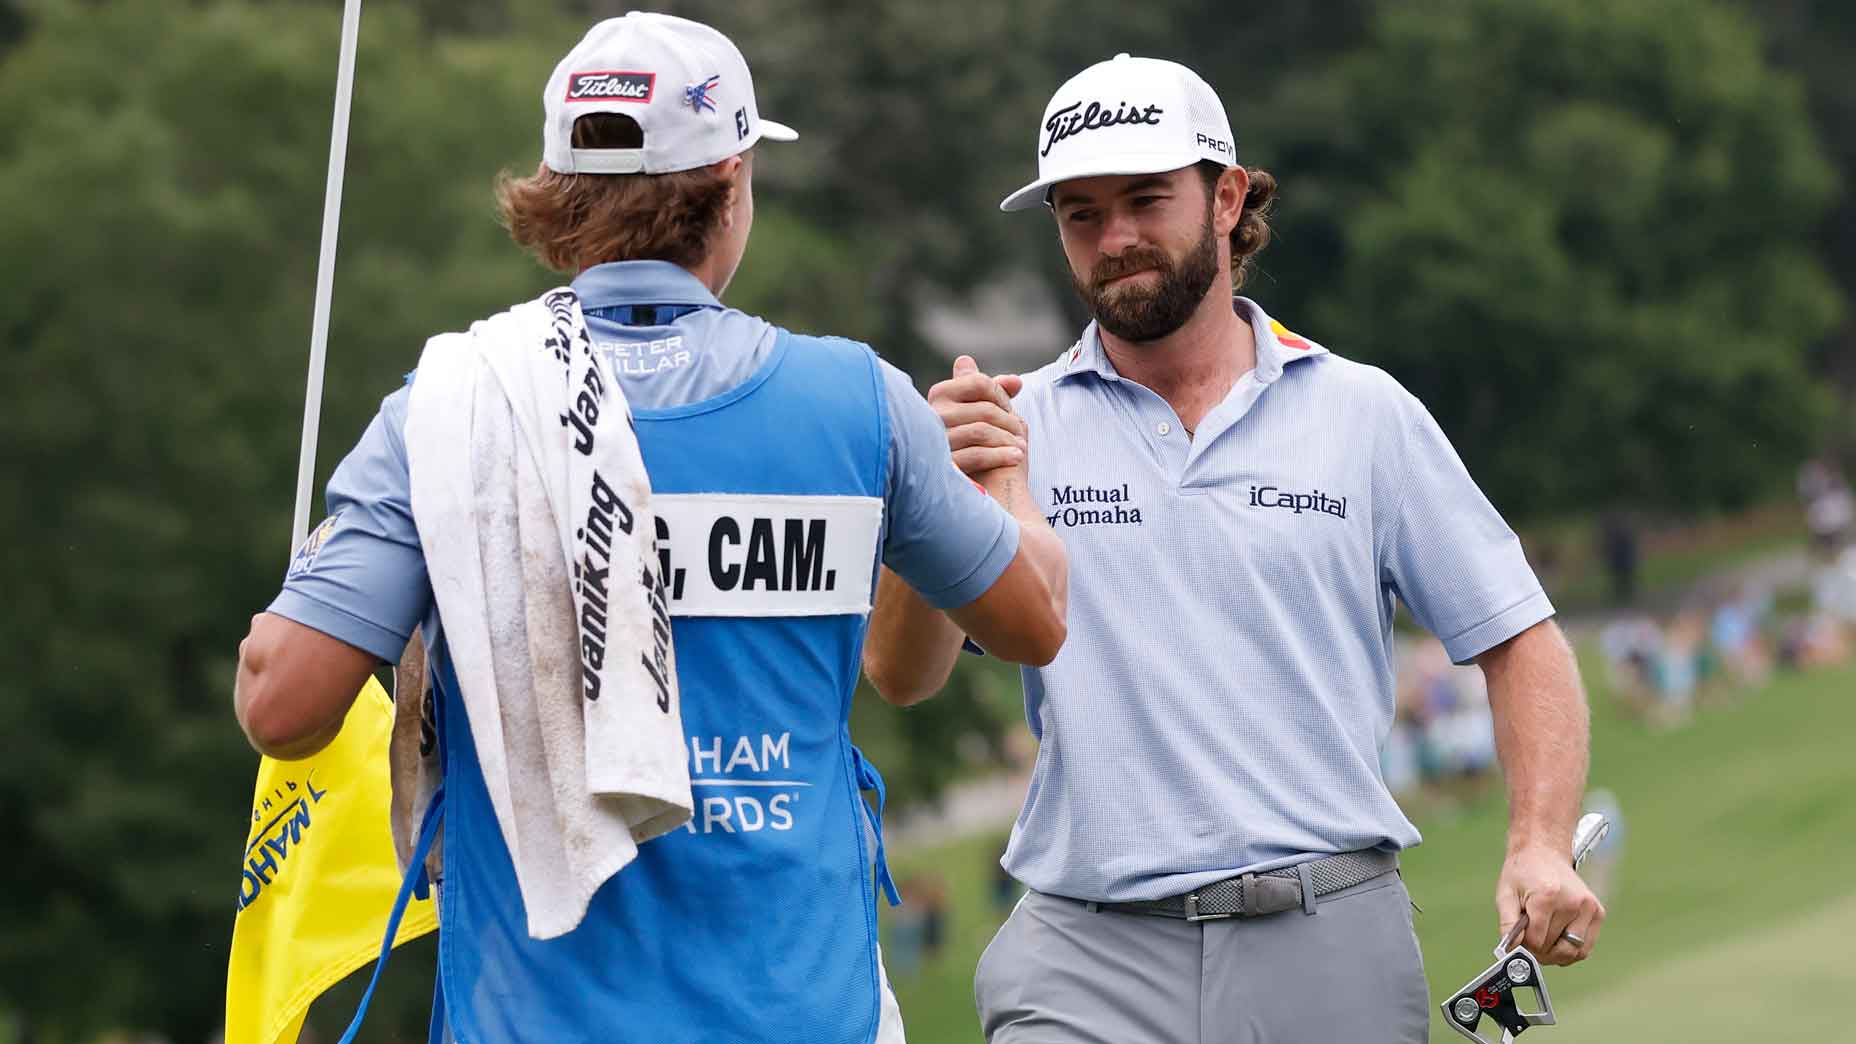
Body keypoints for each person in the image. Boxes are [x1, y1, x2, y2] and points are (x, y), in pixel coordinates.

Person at [233, 13, 1067, 1044]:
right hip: (803, 1016)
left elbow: (283, 706)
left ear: (556, 189)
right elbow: (1034, 621)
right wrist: (998, 475)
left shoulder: (450, 408)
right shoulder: (857, 399)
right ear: (730, 180)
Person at [861, 53, 1604, 1043]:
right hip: (1085, 956)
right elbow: (901, 676)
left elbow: (1519, 641)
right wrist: (934, 494)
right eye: (1081, 214)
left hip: (1327, 935)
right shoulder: (1009, 426)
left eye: (1144, 200)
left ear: (1227, 199)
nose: (1114, 238)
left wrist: (1538, 843)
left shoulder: (1363, 414)